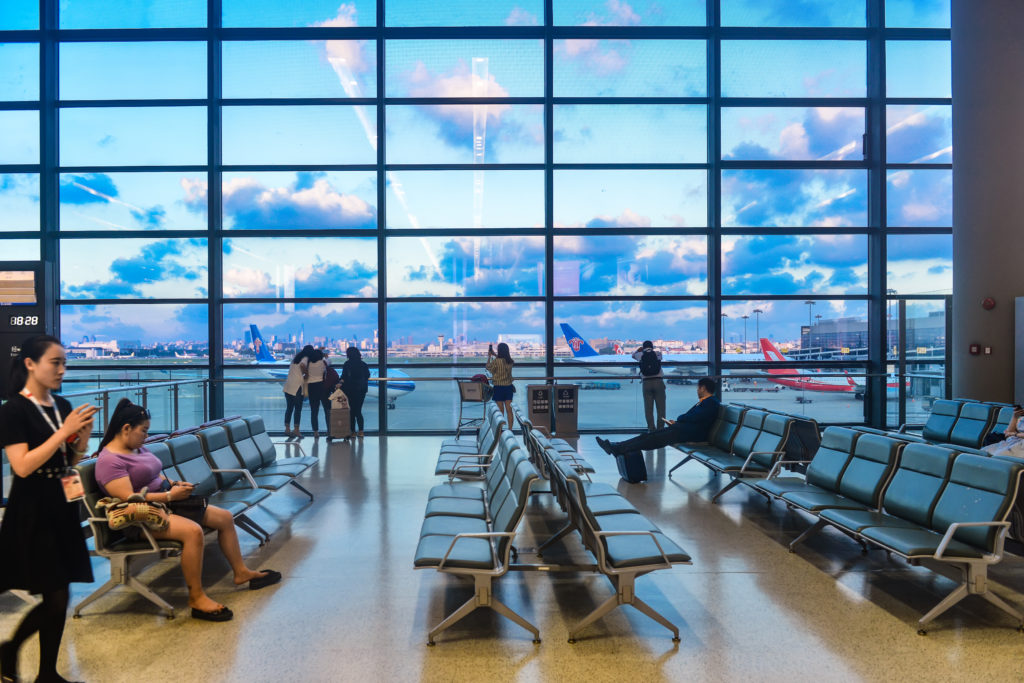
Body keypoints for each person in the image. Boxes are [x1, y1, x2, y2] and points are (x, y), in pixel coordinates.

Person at [94, 399, 281, 623]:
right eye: (143, 431)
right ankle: (196, 598)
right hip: (141, 518)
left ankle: (241, 572)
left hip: (166, 503)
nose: (146, 436)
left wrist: (173, 484)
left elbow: (154, 474)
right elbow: (127, 497)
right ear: (126, 429)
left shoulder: (136, 448)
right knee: (193, 532)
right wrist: (169, 496)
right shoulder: (109, 461)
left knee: (224, 517)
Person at [0, 335, 98, 683]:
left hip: (61, 506)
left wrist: (81, 440)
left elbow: (66, 462)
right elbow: (23, 465)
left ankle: (46, 672)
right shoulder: (13, 409)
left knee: (60, 594)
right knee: (55, 597)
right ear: (30, 364)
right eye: (54, 362)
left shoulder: (61, 404)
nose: (62, 370)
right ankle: (11, 651)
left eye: (64, 363)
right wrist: (64, 432)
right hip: (32, 511)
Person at [596, 377, 720, 456]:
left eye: (698, 388)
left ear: (703, 388)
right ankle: (616, 446)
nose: (697, 390)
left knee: (653, 439)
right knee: (649, 436)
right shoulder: (706, 401)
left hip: (692, 435)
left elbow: (693, 417)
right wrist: (677, 423)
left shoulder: (711, 403)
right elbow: (693, 418)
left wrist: (679, 420)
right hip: (684, 430)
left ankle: (618, 448)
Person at [633, 340, 665, 432]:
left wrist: (639, 350)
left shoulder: (640, 355)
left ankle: (651, 429)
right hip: (658, 382)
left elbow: (632, 355)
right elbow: (660, 359)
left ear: (643, 347)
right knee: (661, 408)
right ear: (652, 347)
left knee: (648, 408)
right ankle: (660, 429)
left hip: (646, 383)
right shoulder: (658, 353)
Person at [283, 345, 313, 438]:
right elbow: (303, 365)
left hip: (288, 387)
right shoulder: (305, 358)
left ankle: (287, 429)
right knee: (298, 409)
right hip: (297, 387)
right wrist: (306, 374)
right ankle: (296, 430)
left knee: (289, 408)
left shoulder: (296, 358)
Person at [340, 346, 370, 438]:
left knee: (351, 412)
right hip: (361, 390)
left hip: (350, 390)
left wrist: (340, 382)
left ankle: (353, 432)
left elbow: (343, 376)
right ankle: (361, 431)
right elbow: (367, 375)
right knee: (358, 411)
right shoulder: (363, 364)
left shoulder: (347, 364)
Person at [304, 348, 331, 438]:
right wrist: (324, 355)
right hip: (322, 386)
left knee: (314, 411)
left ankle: (316, 432)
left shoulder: (309, 364)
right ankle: (329, 430)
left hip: (311, 387)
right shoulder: (323, 363)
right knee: (327, 409)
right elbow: (329, 361)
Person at [486, 342, 515, 424]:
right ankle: (510, 429)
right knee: (509, 410)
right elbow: (503, 361)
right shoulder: (510, 361)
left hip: (498, 387)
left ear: (499, 351)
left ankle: (501, 430)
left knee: (500, 410)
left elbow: (488, 367)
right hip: (508, 387)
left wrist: (489, 356)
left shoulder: (496, 361)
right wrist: (495, 355)